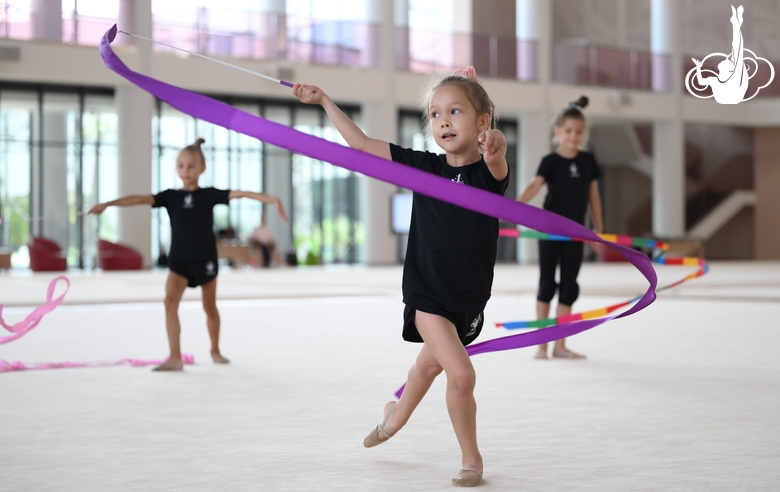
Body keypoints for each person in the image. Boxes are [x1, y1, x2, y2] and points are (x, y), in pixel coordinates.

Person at [293, 66, 508, 487]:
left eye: (456, 112)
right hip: (427, 294)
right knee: (460, 375)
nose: (443, 121)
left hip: (468, 300)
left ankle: (392, 419)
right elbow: (359, 143)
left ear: (482, 122)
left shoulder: (488, 174)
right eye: (435, 114)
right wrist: (323, 101)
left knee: (427, 368)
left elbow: (497, 156)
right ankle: (471, 460)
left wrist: (495, 145)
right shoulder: (423, 168)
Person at [90, 138, 287, 371]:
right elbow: (138, 199)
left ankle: (215, 350)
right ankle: (175, 357)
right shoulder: (170, 197)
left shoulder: (209, 195)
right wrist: (107, 204)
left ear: (202, 169)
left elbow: (241, 194)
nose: (185, 170)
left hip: (205, 261)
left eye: (191, 166)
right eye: (181, 165)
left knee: (209, 308)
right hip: (179, 262)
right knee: (169, 302)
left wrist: (272, 199)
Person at [517, 96, 603, 360]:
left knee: (569, 286)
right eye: (568, 131)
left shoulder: (588, 161)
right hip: (549, 230)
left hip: (575, 233)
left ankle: (560, 345)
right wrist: (514, 208)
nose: (573, 136)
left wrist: (598, 229)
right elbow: (534, 186)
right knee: (546, 284)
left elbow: (594, 197)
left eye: (579, 132)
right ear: (558, 132)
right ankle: (542, 344)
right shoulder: (550, 161)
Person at [691, 5, 748, 104]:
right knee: (737, 51)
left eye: (727, 61)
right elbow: (701, 82)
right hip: (727, 99)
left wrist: (736, 26)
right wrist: (698, 67)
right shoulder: (716, 80)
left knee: (737, 51)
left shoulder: (732, 79)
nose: (725, 59)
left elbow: (737, 48)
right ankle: (736, 24)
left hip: (732, 98)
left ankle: (736, 24)